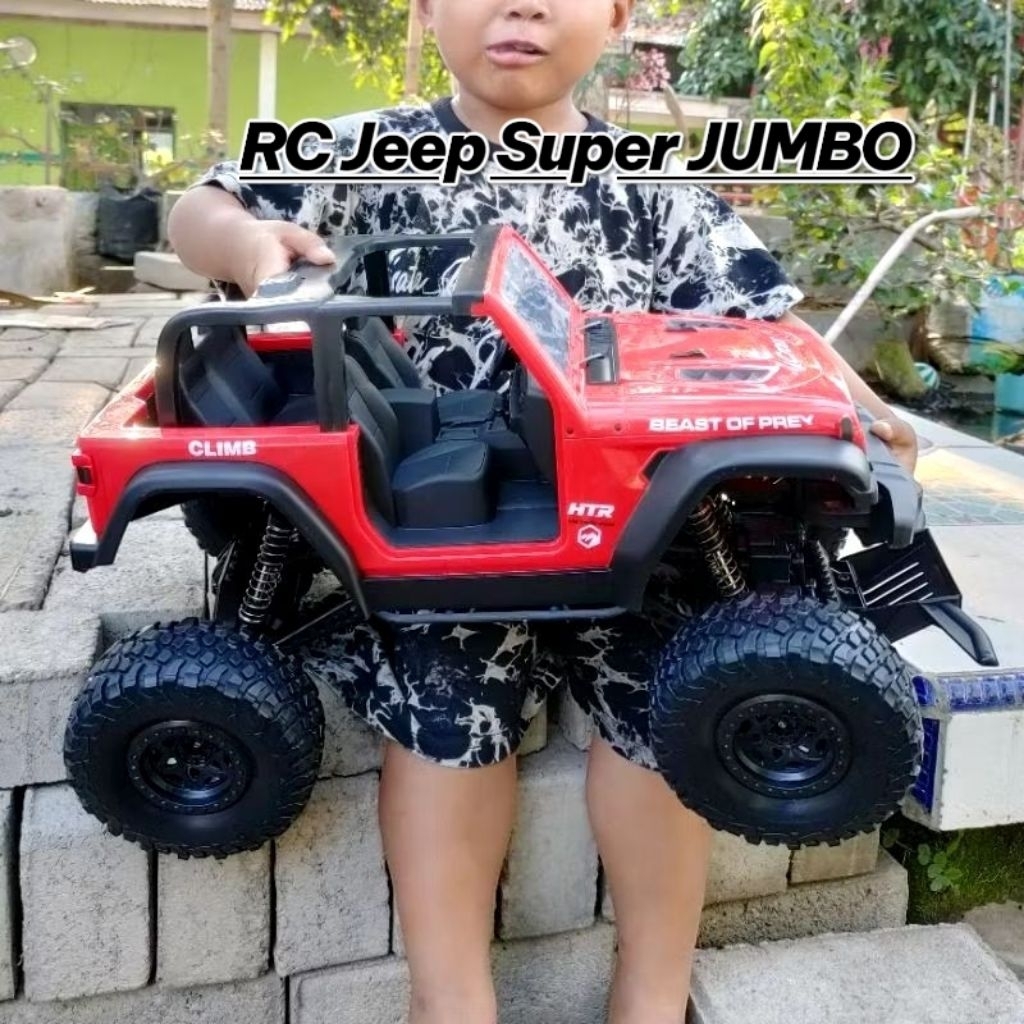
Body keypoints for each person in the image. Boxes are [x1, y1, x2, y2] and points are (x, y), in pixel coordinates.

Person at [168, 2, 919, 1021]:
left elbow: (767, 324)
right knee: (443, 699)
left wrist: (868, 413)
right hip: (434, 522)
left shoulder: (651, 183)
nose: (520, 8)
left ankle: (650, 992)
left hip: (633, 525)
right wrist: (253, 246)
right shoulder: (360, 149)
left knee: (676, 690)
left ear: (616, 16)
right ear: (427, 8)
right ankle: (450, 999)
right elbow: (200, 209)